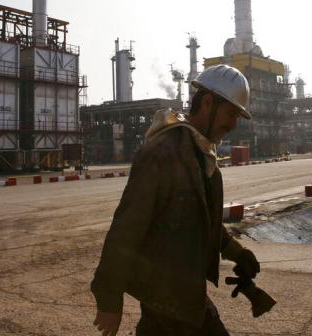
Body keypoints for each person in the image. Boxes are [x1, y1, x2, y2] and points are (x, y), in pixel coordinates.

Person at [91, 64, 261, 336]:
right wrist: (109, 299)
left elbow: (202, 220)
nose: (233, 125)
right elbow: (126, 229)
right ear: (208, 103)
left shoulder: (201, 155)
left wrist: (236, 252)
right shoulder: (163, 152)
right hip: (165, 302)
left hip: (186, 298)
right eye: (230, 114)